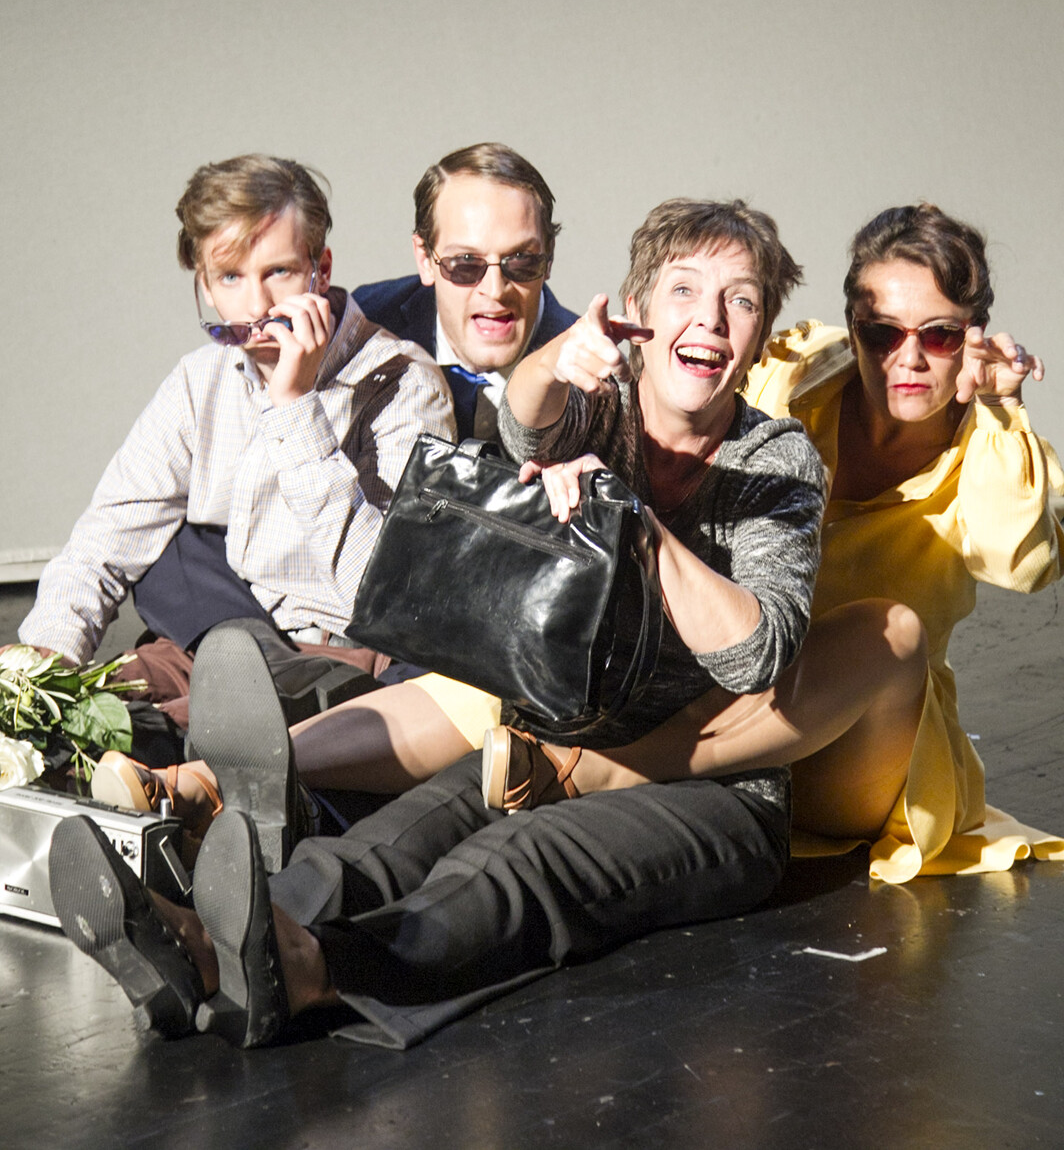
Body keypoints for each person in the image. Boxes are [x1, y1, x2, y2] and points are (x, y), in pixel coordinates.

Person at [50, 198, 828, 1047]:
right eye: (684, 290)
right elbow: (525, 419)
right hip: (552, 743)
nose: (710, 317)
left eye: (740, 300)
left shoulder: (776, 458)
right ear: (638, 313)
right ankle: (207, 949)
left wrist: (638, 527)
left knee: (518, 861)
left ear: (760, 335)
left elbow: (758, 651)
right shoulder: (602, 409)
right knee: (392, 841)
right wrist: (556, 360)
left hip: (711, 790)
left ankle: (307, 970)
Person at [484, 204, 1064, 886]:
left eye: (939, 336)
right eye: (882, 333)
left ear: (973, 336)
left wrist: (999, 408)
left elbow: (1022, 563)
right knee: (470, 688)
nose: (907, 358)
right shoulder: (796, 370)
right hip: (717, 693)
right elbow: (676, 396)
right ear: (853, 326)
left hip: (849, 737)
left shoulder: (995, 447)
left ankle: (605, 772)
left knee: (892, 634)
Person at [18, 154, 454, 716]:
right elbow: (103, 543)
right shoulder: (200, 380)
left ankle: (233, 711)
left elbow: (389, 595)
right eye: (230, 277)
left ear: (320, 269)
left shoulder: (403, 383)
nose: (256, 305)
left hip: (340, 658)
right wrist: (40, 665)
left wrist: (295, 407)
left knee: (197, 728)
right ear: (204, 283)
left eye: (279, 272)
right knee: (65, 714)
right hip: (214, 638)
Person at [354, 142, 577, 440]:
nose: (495, 291)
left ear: (548, 256)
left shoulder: (595, 382)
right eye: (466, 263)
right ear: (425, 259)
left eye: (520, 260)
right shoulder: (364, 326)